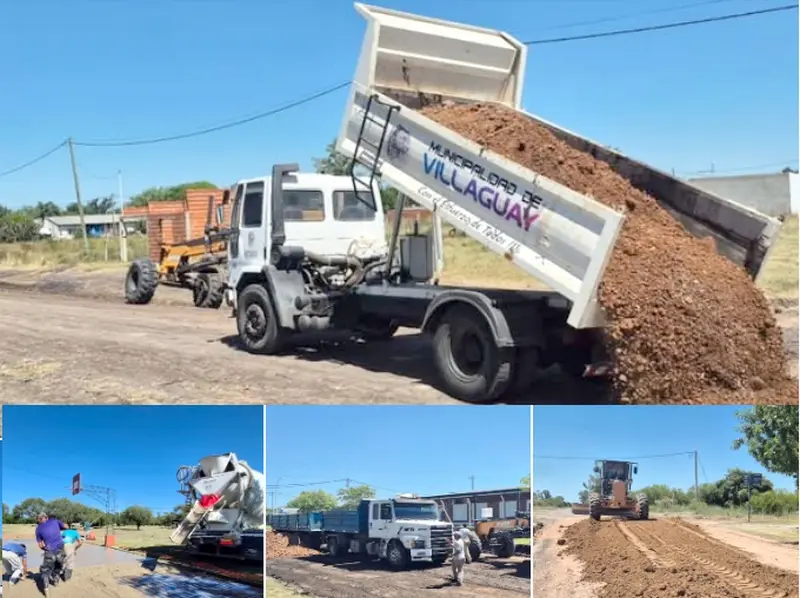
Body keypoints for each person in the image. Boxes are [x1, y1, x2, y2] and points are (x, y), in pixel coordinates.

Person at [35, 512, 67, 595]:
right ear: (46, 518)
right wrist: (59, 528)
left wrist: (45, 550)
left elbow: (40, 545)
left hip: (49, 551)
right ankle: (56, 582)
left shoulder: (38, 529)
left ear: (39, 519)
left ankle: (46, 589)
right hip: (60, 549)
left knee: (45, 571)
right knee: (58, 566)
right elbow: (66, 526)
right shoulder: (55, 521)